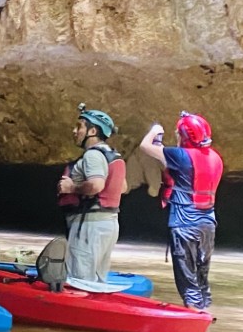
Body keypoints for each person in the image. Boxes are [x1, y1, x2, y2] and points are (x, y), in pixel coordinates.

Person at [139, 112, 223, 310]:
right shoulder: (215, 158)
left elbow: (145, 147)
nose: (177, 136)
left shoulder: (180, 156)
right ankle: (204, 311)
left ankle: (193, 315)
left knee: (186, 275)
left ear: (185, 136)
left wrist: (155, 131)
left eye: (179, 133)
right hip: (208, 224)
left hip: (185, 223)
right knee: (201, 273)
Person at [58, 106, 126, 282]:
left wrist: (71, 188)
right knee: (96, 279)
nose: (75, 131)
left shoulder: (93, 155)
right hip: (108, 224)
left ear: (93, 130)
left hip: (90, 226)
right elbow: (123, 187)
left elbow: (96, 185)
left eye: (79, 126)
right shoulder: (113, 154)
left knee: (80, 280)